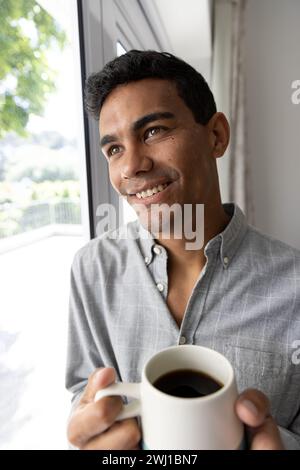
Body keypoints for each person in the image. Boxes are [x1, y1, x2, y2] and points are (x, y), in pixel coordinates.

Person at [66, 50, 300, 450]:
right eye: (114, 149)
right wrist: (89, 429)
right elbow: (84, 392)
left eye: (154, 131)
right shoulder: (93, 268)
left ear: (216, 135)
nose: (132, 167)